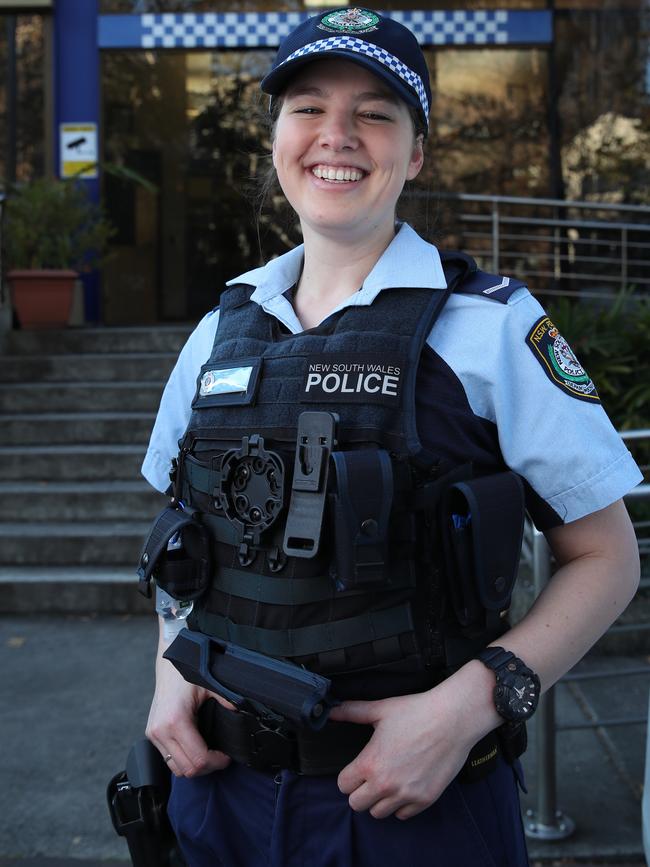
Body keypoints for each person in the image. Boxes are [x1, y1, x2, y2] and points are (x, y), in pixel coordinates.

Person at [141, 8, 642, 866]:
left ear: (414, 153)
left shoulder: (492, 328)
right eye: (308, 106)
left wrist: (468, 710)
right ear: (276, 140)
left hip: (417, 809)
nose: (337, 135)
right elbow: (183, 542)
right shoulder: (218, 330)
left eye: (375, 112)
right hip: (217, 796)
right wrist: (165, 679)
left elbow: (607, 558)